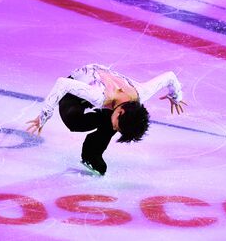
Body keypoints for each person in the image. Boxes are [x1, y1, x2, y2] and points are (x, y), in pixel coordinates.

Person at [26, 63, 186, 175]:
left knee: (110, 122)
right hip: (75, 92)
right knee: (75, 122)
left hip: (107, 91)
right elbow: (62, 84)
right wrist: (44, 116)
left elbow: (170, 77)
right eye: (118, 126)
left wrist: (176, 96)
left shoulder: (140, 94)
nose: (115, 130)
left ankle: (92, 154)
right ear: (122, 111)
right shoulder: (99, 95)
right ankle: (99, 123)